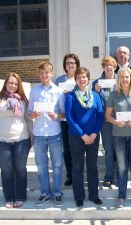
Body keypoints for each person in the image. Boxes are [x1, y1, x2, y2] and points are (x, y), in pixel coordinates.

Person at [0, 72, 33, 209]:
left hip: (21, 139)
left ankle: (20, 196)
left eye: (16, 83)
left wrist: (32, 135)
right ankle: (9, 197)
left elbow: (28, 119)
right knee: (6, 170)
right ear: (5, 83)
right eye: (10, 82)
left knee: (20, 169)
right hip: (0, 141)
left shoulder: (23, 100)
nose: (13, 85)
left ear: (19, 85)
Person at [105, 66, 131, 208]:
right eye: (122, 77)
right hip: (119, 135)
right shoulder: (114, 94)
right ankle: (121, 196)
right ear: (119, 79)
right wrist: (115, 121)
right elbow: (107, 115)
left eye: (127, 77)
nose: (124, 79)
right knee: (122, 168)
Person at [65, 67, 104, 207]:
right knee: (77, 167)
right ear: (76, 80)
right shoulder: (70, 96)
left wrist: (94, 133)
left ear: (88, 79)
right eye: (79, 77)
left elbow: (100, 115)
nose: (82, 79)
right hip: (76, 136)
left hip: (93, 136)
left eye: (84, 77)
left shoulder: (95, 96)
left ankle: (94, 195)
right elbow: (69, 118)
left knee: (92, 166)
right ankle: (79, 196)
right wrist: (82, 134)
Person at [28, 62, 65, 207]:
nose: (44, 75)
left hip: (54, 132)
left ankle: (56, 193)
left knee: (57, 164)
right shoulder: (34, 91)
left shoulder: (58, 91)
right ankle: (45, 193)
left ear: (51, 73)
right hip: (38, 134)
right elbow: (29, 112)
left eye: (47, 73)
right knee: (41, 166)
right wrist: (33, 114)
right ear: (39, 74)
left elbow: (63, 113)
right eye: (42, 73)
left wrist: (56, 115)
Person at [92, 56, 118, 187]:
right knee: (108, 149)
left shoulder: (121, 79)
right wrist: (95, 91)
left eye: (111, 65)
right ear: (103, 67)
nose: (109, 67)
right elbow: (91, 101)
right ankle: (109, 176)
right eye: (106, 65)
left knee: (119, 149)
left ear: (114, 67)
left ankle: (120, 176)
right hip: (105, 120)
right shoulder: (97, 83)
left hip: (119, 119)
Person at [55, 53, 80, 186]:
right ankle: (70, 175)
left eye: (73, 63)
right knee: (67, 149)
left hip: (78, 120)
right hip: (64, 120)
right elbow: (54, 98)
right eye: (68, 63)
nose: (70, 65)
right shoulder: (59, 80)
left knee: (78, 148)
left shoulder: (80, 78)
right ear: (65, 65)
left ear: (77, 65)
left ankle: (79, 174)